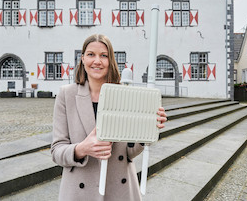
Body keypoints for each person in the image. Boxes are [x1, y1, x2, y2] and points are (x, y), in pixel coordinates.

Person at [51, 34, 167, 200]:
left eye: (103, 55)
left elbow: (129, 152)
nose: (97, 61)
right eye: (91, 54)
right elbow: (57, 151)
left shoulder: (125, 94)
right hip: (79, 191)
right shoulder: (66, 95)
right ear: (82, 59)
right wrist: (82, 149)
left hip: (120, 189)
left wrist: (148, 127)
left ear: (110, 60)